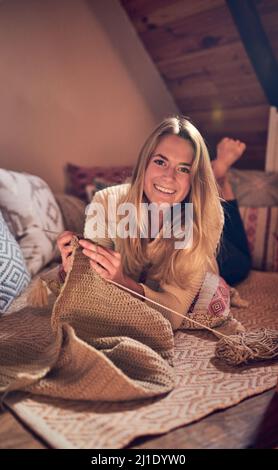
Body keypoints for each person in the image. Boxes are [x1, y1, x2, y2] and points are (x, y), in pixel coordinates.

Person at [57, 116, 250, 331]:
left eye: (184, 169)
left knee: (242, 262)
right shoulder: (105, 201)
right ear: (144, 164)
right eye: (160, 161)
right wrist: (73, 270)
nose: (168, 177)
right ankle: (217, 174)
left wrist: (122, 282)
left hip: (219, 257)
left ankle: (220, 176)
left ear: (195, 178)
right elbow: (91, 282)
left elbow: (174, 314)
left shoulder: (208, 215)